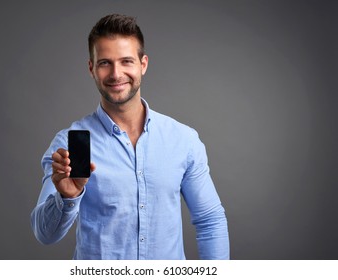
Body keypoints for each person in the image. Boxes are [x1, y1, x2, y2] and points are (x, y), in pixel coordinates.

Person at [31, 14, 230, 260]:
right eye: (105, 63)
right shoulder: (69, 145)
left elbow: (210, 221)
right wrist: (67, 196)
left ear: (142, 64)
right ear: (91, 68)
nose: (116, 74)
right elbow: (44, 234)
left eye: (126, 61)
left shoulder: (183, 140)